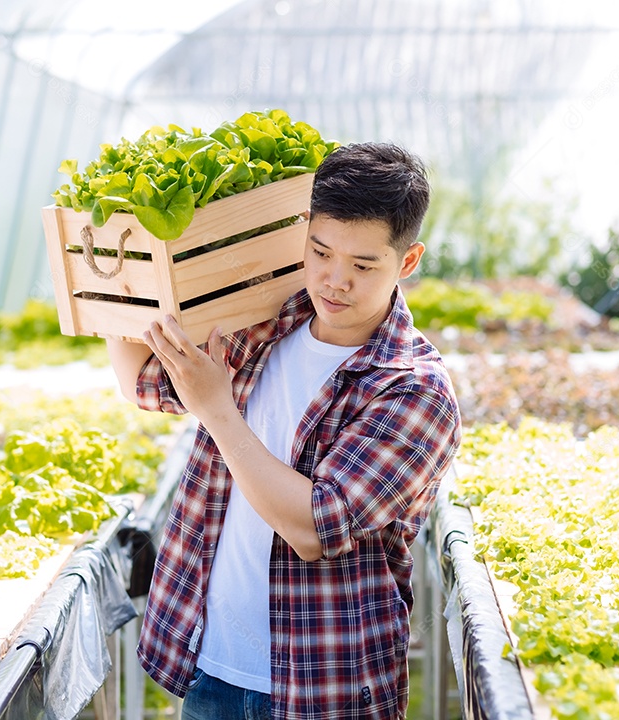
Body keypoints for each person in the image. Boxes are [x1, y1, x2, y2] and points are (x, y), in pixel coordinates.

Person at [106, 142, 462, 720]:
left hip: (326, 690)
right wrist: (121, 266)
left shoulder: (414, 391)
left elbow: (312, 526)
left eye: (363, 265)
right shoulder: (269, 322)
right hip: (212, 670)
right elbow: (144, 381)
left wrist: (218, 411)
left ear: (409, 260)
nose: (335, 280)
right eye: (320, 252)